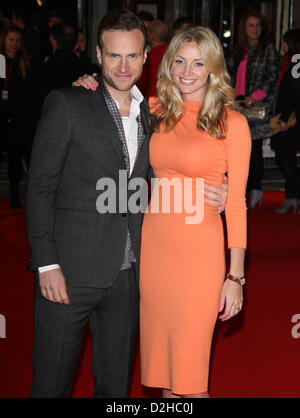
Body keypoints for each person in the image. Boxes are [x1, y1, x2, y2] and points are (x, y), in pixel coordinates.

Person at [35, 10, 226, 398]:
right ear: (98, 55)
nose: (123, 66)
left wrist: (217, 191)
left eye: (132, 56)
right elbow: (39, 188)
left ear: (145, 58)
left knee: (115, 389)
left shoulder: (155, 113)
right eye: (113, 56)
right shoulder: (68, 103)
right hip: (69, 274)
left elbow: (175, 167)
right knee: (51, 386)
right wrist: (46, 263)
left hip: (131, 276)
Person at [139, 26, 251, 398]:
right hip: (155, 253)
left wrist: (235, 278)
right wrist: (88, 82)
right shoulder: (154, 109)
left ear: (213, 69)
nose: (187, 72)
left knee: (190, 374)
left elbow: (235, 203)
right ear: (168, 64)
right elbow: (108, 104)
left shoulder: (231, 124)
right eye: (180, 61)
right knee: (168, 375)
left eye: (198, 63)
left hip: (198, 256)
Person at [227, 11, 279, 208]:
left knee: (254, 150)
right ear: (244, 28)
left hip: (256, 106)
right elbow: (228, 74)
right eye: (251, 25)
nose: (255, 29)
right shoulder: (238, 50)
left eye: (258, 25)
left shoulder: (268, 50)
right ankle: (240, 189)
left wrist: (254, 97)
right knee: (237, 150)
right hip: (236, 105)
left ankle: (255, 189)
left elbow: (271, 78)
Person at [0, 24, 31, 209]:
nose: (14, 44)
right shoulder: (1, 61)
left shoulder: (24, 62)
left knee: (15, 160)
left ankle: (14, 194)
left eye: (18, 40)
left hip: (18, 120)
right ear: (4, 40)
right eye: (11, 40)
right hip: (2, 117)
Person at [271, 29, 300, 214]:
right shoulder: (290, 61)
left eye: (284, 41)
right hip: (290, 117)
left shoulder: (295, 61)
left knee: (282, 157)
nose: (282, 45)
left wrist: (284, 119)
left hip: (290, 118)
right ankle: (291, 198)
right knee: (287, 157)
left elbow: (294, 93)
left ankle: (295, 193)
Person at [137, 19, 169, 97]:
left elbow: (140, 86)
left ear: (151, 35)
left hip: (151, 101)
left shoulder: (148, 58)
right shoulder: (175, 53)